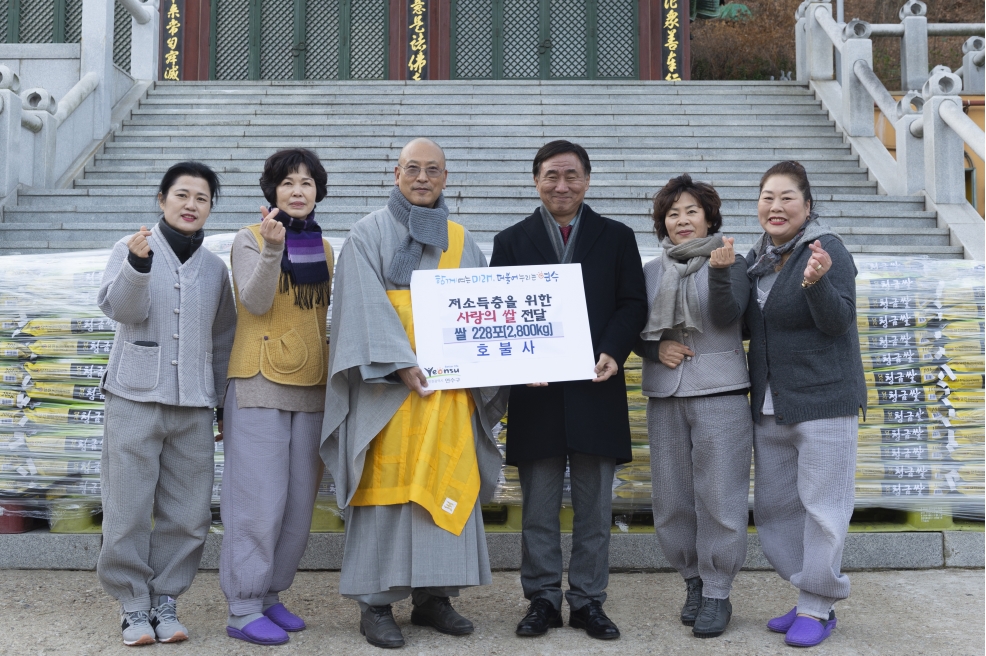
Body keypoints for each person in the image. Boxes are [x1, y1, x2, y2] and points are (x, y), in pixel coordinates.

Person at [321, 138, 507, 650]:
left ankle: (434, 597)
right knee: (386, 490)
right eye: (412, 169)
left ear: (446, 178)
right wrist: (398, 360)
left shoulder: (461, 239)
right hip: (389, 392)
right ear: (396, 173)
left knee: (442, 480)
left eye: (433, 170)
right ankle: (376, 604)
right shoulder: (367, 233)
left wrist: (508, 359)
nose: (422, 178)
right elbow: (360, 305)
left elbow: (481, 312)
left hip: (447, 393)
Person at [489, 140, 648, 640]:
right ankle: (540, 598)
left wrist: (613, 350)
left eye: (572, 176)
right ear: (536, 180)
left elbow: (632, 304)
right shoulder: (511, 241)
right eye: (552, 176)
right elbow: (501, 312)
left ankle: (587, 600)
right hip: (536, 394)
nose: (562, 185)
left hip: (596, 387)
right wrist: (520, 359)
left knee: (595, 508)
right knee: (537, 508)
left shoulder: (617, 237)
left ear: (588, 180)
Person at [96, 161, 236, 646]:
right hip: (134, 396)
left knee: (189, 511)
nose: (191, 204)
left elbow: (223, 340)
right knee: (127, 506)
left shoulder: (216, 269)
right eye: (182, 195)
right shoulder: (130, 248)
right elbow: (122, 311)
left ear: (209, 208)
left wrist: (219, 403)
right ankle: (133, 604)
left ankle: (165, 599)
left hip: (193, 404)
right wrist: (137, 267)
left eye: (201, 198)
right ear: (162, 200)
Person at [732, 160, 866, 648]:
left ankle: (817, 605)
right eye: (768, 196)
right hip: (771, 403)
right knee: (774, 509)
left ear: (807, 206)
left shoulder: (826, 249)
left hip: (824, 400)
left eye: (787, 197)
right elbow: (745, 326)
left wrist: (816, 283)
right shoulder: (755, 259)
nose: (776, 206)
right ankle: (810, 590)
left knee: (824, 508)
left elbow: (838, 322)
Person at [219, 148, 335, 646]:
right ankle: (243, 605)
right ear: (272, 191)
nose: (298, 191)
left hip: (311, 383)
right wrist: (271, 249)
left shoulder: (326, 249)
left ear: (318, 192)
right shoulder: (249, 239)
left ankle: (270, 594)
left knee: (296, 505)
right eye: (288, 182)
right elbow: (256, 300)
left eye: (307, 183)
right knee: (256, 501)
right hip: (259, 382)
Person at [635, 174, 753, 639]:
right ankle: (693, 582)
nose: (682, 220)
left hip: (720, 392)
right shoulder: (649, 270)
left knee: (720, 497)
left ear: (709, 217)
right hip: (665, 394)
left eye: (691, 211)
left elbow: (730, 319)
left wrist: (721, 273)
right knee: (671, 499)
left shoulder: (732, 261)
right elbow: (630, 326)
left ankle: (719, 591)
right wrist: (653, 349)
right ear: (662, 222)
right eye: (672, 213)